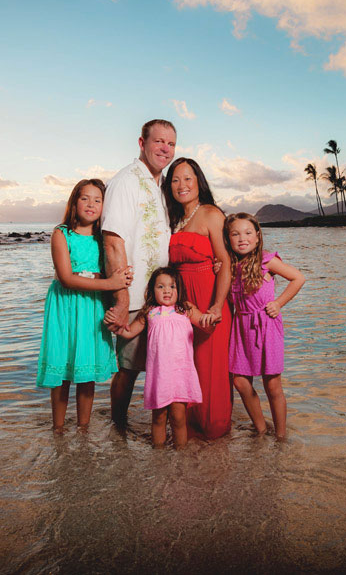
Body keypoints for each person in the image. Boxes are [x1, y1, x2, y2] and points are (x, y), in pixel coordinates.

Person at [37, 179, 133, 432]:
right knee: (64, 367)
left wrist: (119, 282)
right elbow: (67, 279)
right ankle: (58, 429)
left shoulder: (104, 238)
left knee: (85, 368)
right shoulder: (61, 233)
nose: (91, 204)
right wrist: (110, 283)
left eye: (97, 200)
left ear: (105, 206)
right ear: (74, 202)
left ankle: (83, 430)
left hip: (92, 307)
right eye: (85, 198)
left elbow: (117, 268)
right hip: (65, 307)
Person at [101, 119, 177, 429]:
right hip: (133, 296)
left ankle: (155, 431)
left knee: (161, 367)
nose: (164, 148)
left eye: (170, 144)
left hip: (159, 295)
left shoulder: (160, 187)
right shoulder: (127, 181)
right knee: (128, 370)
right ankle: (118, 429)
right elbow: (113, 240)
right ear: (141, 143)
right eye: (158, 141)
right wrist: (121, 301)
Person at [163, 157, 233, 439]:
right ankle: (188, 433)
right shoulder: (172, 219)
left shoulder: (211, 214)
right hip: (182, 303)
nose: (182, 185)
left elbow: (225, 262)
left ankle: (215, 434)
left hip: (208, 297)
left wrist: (217, 305)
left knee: (209, 366)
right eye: (176, 180)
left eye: (188, 178)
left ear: (199, 182)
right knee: (184, 365)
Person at [223, 212, 305, 440]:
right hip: (240, 327)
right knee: (239, 381)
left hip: (266, 325)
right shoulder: (229, 265)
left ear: (258, 237)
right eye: (235, 234)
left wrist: (278, 303)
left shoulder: (267, 260)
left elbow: (298, 278)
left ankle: (280, 436)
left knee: (272, 384)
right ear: (228, 238)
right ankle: (260, 429)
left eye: (248, 233)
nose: (242, 238)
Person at [116, 267, 213, 448]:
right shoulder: (150, 312)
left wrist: (212, 318)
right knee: (158, 417)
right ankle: (158, 454)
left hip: (180, 374)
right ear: (152, 290)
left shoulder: (185, 309)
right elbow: (129, 332)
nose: (167, 290)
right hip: (159, 376)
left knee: (178, 417)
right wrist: (116, 325)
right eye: (161, 287)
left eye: (172, 286)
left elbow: (205, 324)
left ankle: (181, 454)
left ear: (179, 289)